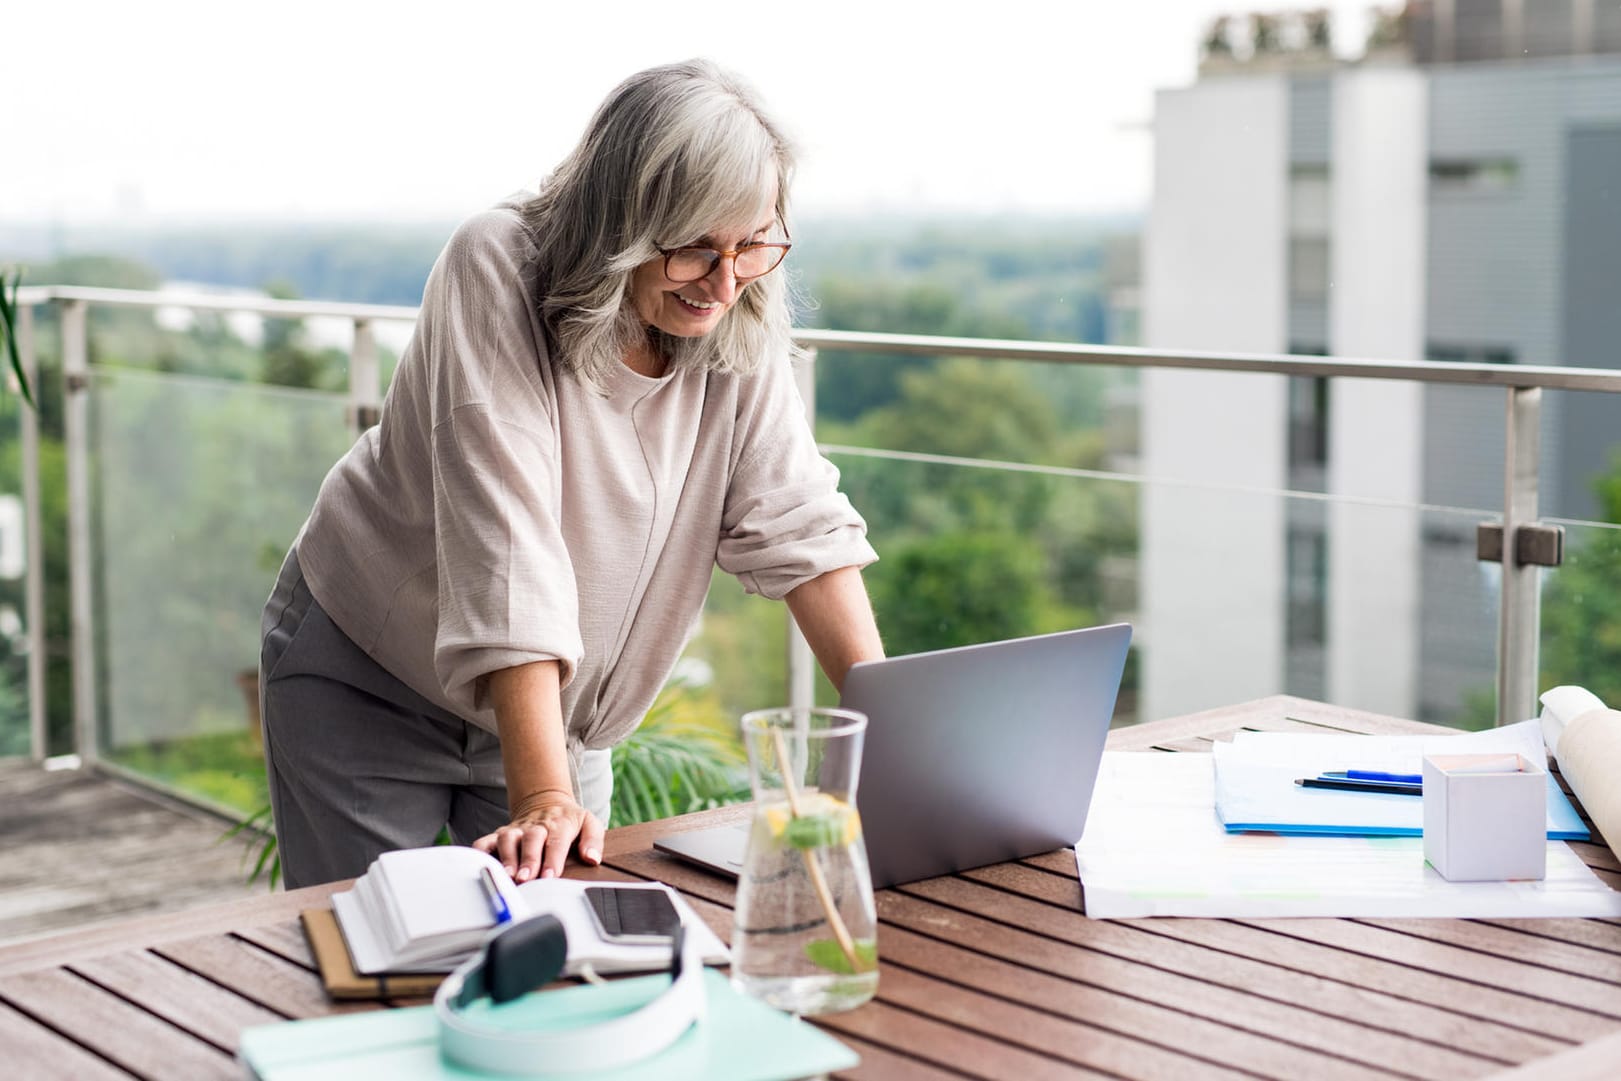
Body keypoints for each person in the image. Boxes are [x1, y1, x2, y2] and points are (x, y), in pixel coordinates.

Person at [259, 59, 883, 891]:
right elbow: (505, 537)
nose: (726, 281)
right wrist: (545, 793)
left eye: (754, 244)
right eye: (695, 249)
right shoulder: (498, 264)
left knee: (565, 959)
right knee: (387, 957)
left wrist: (895, 721)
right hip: (372, 679)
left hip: (565, 722)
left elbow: (796, 518)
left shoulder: (738, 305)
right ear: (623, 221)